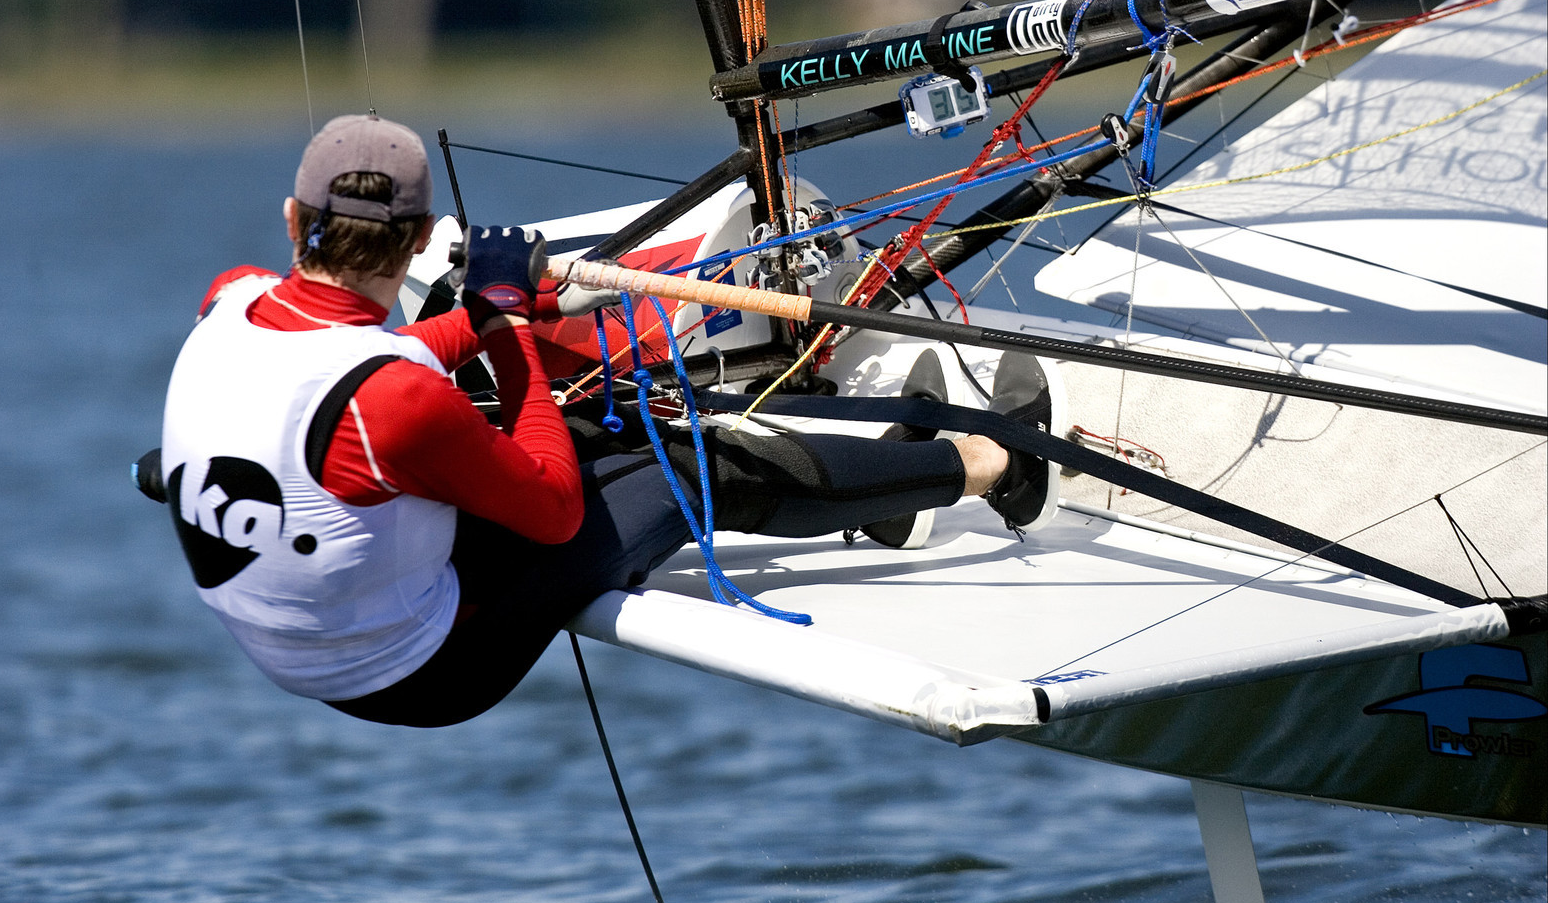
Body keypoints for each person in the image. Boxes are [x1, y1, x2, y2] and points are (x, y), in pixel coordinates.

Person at [150, 116, 1040, 729]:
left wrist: (496, 312)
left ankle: (869, 488)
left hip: (302, 630)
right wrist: (502, 326)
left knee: (601, 431)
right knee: (695, 471)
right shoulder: (394, 400)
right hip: (415, 673)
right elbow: (552, 510)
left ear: (294, 220)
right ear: (422, 238)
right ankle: (988, 461)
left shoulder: (229, 296)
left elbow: (358, 367)